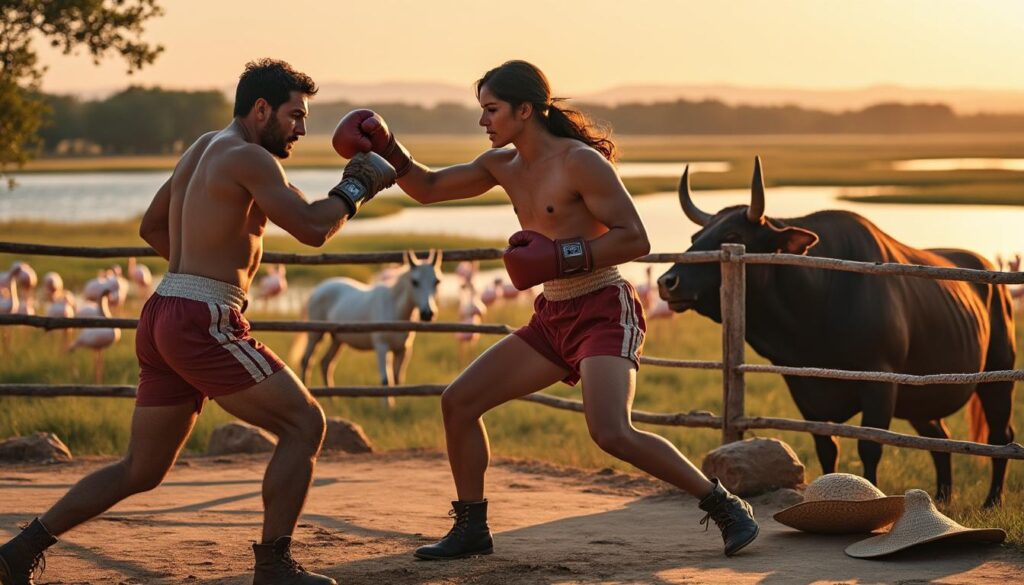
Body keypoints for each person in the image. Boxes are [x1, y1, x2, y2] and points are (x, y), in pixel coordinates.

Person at [332, 60, 759, 561]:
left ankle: (725, 505)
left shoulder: (580, 163)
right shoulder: (500, 166)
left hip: (603, 307)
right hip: (552, 315)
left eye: (491, 110)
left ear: (525, 110)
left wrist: (561, 255)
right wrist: (388, 148)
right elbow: (427, 188)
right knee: (459, 402)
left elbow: (636, 238)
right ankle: (471, 527)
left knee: (610, 432)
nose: (483, 121)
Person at [0, 58, 396, 585]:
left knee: (141, 468)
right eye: (295, 116)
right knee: (305, 425)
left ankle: (19, 550)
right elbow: (311, 228)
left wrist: (199, 277)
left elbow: (150, 227)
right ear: (261, 109)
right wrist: (356, 186)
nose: (302, 129)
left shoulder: (202, 147)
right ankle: (274, 567)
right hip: (198, 318)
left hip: (165, 308)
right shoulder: (251, 158)